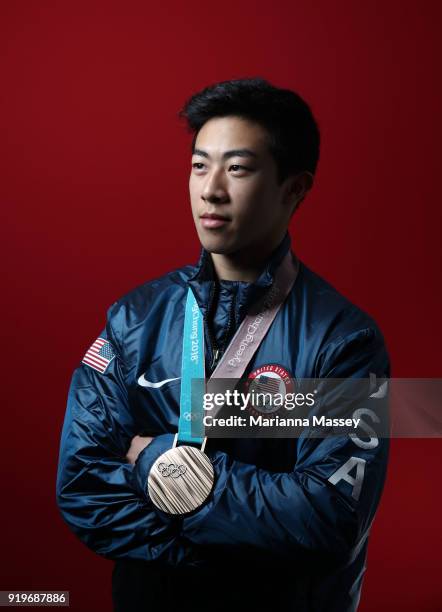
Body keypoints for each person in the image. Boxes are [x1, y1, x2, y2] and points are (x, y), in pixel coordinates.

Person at [56, 78, 390, 612]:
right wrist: (232, 557)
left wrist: (159, 461)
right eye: (198, 165)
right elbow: (83, 487)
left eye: (237, 168)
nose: (211, 189)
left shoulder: (345, 340)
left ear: (295, 188)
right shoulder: (134, 319)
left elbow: (329, 518)